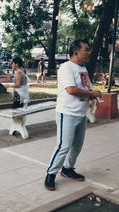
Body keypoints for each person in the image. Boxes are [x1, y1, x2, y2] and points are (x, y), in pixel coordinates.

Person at [44, 40, 101, 191]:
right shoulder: (65, 68)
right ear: (76, 52)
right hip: (67, 113)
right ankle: (50, 174)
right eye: (86, 50)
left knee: (77, 145)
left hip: (80, 114)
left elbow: (87, 87)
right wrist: (91, 93)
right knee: (63, 146)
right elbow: (71, 90)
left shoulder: (83, 68)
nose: (88, 52)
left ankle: (68, 168)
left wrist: (93, 96)